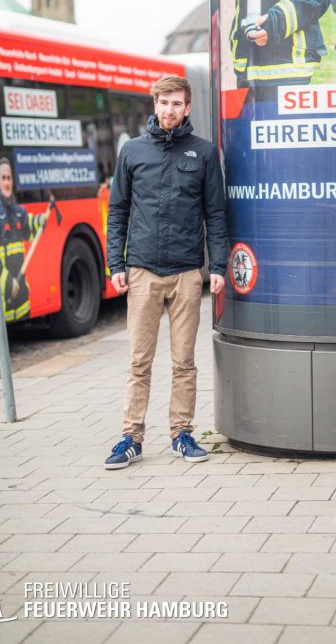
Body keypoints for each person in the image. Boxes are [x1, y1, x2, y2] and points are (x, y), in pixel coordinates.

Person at [104, 76, 228, 468]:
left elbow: (216, 214)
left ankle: (182, 434)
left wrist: (219, 266)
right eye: (163, 103)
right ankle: (130, 438)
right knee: (139, 361)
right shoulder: (133, 153)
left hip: (188, 273)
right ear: (154, 105)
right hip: (142, 272)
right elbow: (118, 210)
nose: (170, 110)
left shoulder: (204, 154)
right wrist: (115, 263)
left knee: (183, 362)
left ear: (187, 107)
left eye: (177, 103)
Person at [0, 157, 45, 323]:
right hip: (8, 290)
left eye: (9, 178)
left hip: (22, 287)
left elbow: (29, 228)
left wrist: (41, 220)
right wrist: (9, 284)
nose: (7, 182)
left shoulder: (19, 211)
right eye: (4, 178)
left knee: (24, 317)